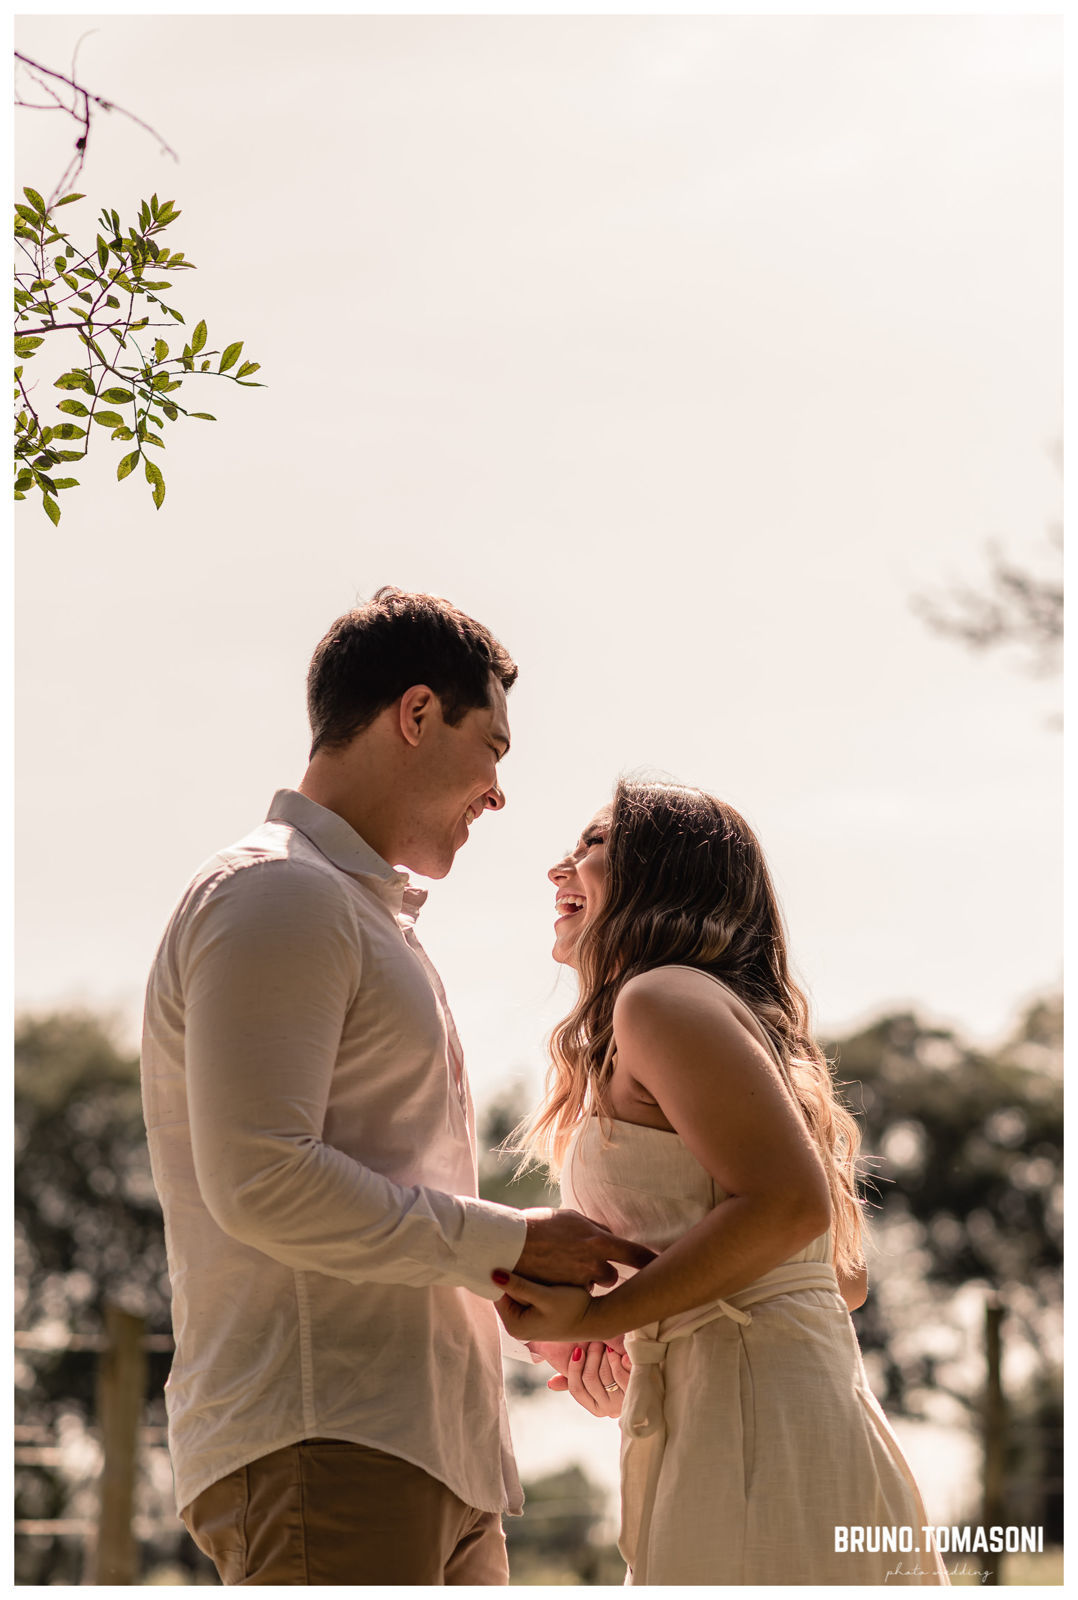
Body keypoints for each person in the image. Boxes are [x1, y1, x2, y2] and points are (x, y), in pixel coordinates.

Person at [140, 589, 653, 1586]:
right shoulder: (276, 892)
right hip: (328, 1446)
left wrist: (531, 1308)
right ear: (416, 714)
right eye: (492, 748)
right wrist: (514, 1245)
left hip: (428, 1454)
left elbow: (391, 1202)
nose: (498, 794)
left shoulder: (352, 913)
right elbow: (263, 1180)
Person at [494, 780, 950, 1586]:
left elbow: (792, 1209)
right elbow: (834, 1278)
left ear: (662, 873)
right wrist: (636, 1347)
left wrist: (605, 1313)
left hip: (756, 1441)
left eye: (594, 845)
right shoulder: (698, 1013)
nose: (559, 868)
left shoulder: (658, 998)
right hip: (759, 1416)